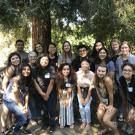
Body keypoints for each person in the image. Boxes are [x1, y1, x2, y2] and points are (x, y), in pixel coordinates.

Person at [3, 64, 32, 135]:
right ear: (21, 70)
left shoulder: (28, 79)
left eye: (28, 69)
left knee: (29, 116)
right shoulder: (16, 79)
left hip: (20, 99)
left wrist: (26, 105)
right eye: (24, 69)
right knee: (23, 118)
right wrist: (22, 108)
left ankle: (23, 129)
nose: (26, 71)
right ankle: (15, 131)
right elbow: (15, 96)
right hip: (10, 100)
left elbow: (27, 93)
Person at [93, 64, 119, 135]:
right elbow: (98, 91)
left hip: (114, 101)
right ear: (96, 71)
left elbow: (111, 94)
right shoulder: (95, 79)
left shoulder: (107, 79)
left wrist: (110, 105)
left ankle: (116, 132)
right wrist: (101, 102)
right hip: (104, 100)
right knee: (99, 115)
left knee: (106, 119)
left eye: (103, 71)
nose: (100, 73)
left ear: (106, 72)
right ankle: (106, 129)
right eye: (99, 71)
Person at [34, 55, 57, 133]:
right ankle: (45, 124)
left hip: (51, 93)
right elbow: (35, 82)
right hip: (40, 93)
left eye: (46, 59)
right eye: (43, 59)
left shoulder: (51, 68)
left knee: (51, 109)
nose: (45, 61)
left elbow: (52, 82)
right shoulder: (36, 69)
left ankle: (53, 125)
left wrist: (46, 94)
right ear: (39, 60)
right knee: (44, 110)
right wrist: (41, 93)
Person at [1, 52, 22, 134]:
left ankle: (9, 126)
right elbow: (4, 82)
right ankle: (3, 129)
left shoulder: (20, 67)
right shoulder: (11, 68)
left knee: (10, 111)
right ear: (10, 60)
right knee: (5, 111)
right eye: (13, 58)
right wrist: (7, 94)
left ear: (20, 59)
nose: (15, 60)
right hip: (9, 92)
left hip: (15, 92)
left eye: (17, 58)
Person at [56, 63, 76, 128]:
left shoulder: (72, 77)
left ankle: (70, 122)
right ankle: (62, 122)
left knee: (69, 105)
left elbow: (70, 89)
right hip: (61, 93)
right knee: (62, 105)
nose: (66, 71)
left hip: (69, 93)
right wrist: (62, 99)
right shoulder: (58, 77)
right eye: (64, 69)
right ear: (61, 70)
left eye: (68, 69)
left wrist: (67, 99)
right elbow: (59, 89)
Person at [76, 59, 94, 132]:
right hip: (80, 91)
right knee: (81, 107)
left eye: (86, 64)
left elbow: (91, 86)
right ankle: (83, 122)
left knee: (87, 107)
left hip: (89, 91)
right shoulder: (77, 73)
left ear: (89, 65)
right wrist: (80, 97)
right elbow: (77, 86)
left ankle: (88, 123)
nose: (84, 65)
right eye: (82, 64)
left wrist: (87, 98)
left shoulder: (92, 74)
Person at [119, 63, 135, 134]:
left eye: (129, 70)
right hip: (128, 99)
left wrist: (133, 109)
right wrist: (124, 103)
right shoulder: (121, 79)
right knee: (124, 111)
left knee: (132, 116)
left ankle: (133, 129)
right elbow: (123, 91)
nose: (127, 72)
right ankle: (127, 123)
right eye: (125, 70)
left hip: (134, 102)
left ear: (133, 72)